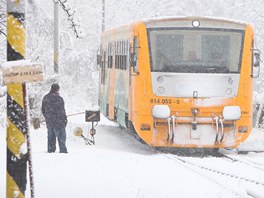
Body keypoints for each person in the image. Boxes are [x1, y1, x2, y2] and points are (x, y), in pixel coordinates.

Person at [41, 83, 68, 153]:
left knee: (51, 137)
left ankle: (51, 150)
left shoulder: (45, 98)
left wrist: (47, 117)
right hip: (59, 122)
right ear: (57, 89)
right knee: (61, 137)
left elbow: (43, 110)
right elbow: (62, 110)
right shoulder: (59, 98)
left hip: (50, 122)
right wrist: (64, 119)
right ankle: (63, 150)